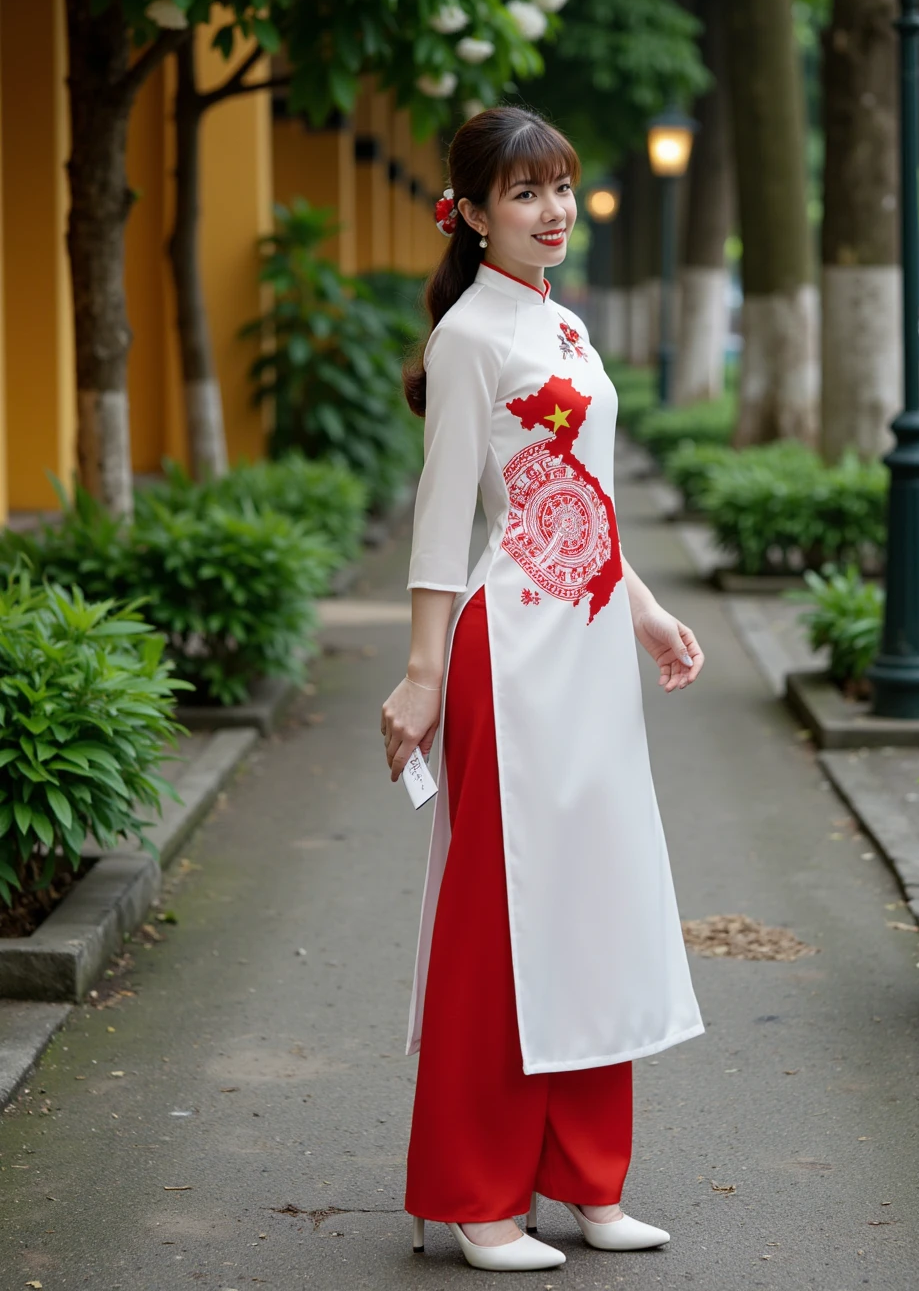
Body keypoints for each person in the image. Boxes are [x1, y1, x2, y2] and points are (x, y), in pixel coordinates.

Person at [380, 106, 705, 1272]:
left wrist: (648, 611)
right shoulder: (472, 335)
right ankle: (478, 1198)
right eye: (523, 193)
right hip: (506, 655)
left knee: (594, 908)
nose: (553, 210)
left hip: (586, 654)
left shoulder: (567, 329)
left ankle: (587, 1182)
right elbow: (443, 518)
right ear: (468, 213)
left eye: (560, 186)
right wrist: (422, 675)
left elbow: (583, 508)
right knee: (499, 924)